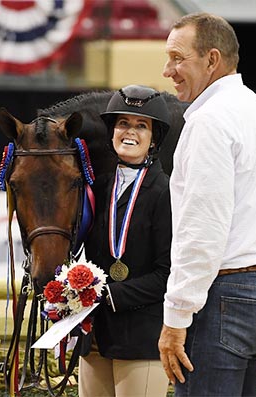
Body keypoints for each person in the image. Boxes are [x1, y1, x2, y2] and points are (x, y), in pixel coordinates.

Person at [158, 12, 256, 397]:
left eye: (178, 58)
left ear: (212, 60)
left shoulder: (209, 121)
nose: (168, 70)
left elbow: (202, 228)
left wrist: (176, 316)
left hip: (224, 296)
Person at [79, 85, 172, 397]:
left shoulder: (166, 193)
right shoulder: (97, 188)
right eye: (123, 123)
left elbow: (167, 274)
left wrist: (108, 294)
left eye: (141, 126)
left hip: (141, 337)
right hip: (94, 337)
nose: (130, 132)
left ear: (154, 138)